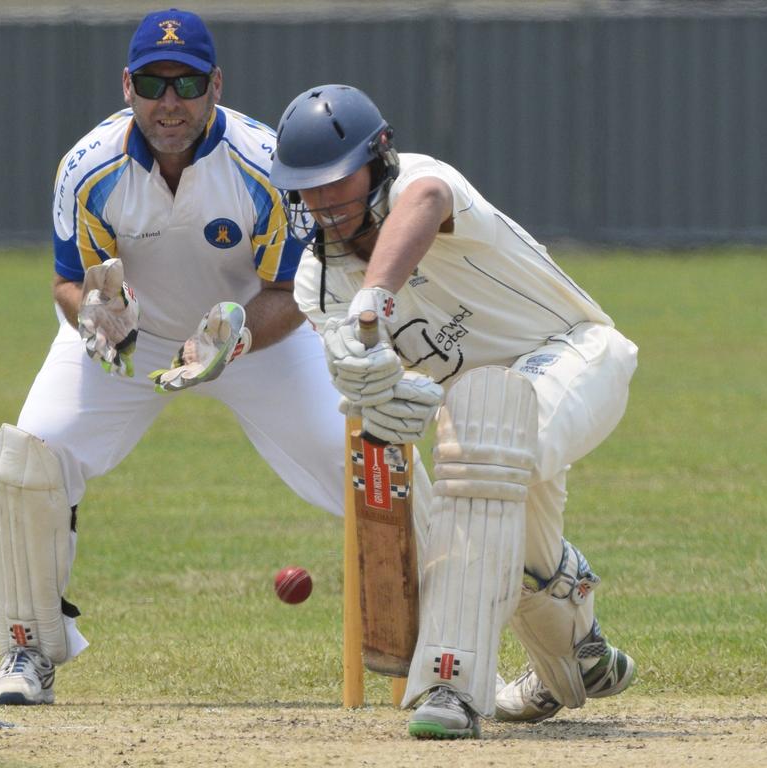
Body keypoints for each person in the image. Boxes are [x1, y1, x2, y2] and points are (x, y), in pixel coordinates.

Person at [0, 11, 399, 706]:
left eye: (187, 84)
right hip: (134, 339)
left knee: (359, 461)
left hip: (255, 338)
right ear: (127, 86)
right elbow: (67, 278)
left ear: (215, 86)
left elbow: (289, 292)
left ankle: (432, 645)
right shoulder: (88, 169)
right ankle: (27, 649)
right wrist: (93, 317)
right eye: (151, 83)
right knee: (31, 458)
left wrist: (224, 343)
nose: (168, 102)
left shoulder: (267, 165)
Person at [269, 84, 639, 739]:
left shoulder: (421, 180)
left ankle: (451, 681)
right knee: (496, 513)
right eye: (307, 187)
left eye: (337, 179)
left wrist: (375, 298)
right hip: (480, 420)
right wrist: (376, 385)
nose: (324, 200)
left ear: (377, 160)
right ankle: (575, 650)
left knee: (480, 444)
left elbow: (427, 202)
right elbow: (368, 386)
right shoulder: (316, 282)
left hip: (576, 357)